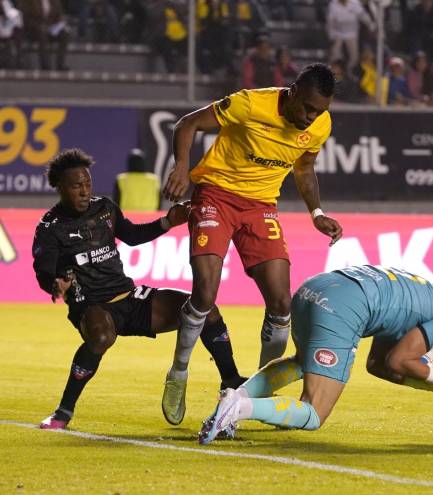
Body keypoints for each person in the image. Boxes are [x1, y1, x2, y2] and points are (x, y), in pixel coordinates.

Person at [159, 63, 344, 426]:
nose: (311, 118)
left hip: (261, 206)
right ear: (291, 93)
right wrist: (181, 167)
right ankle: (178, 372)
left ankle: (256, 393)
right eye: (307, 108)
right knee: (205, 293)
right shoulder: (249, 104)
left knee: (281, 303)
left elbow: (304, 170)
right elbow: (188, 124)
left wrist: (317, 212)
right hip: (216, 194)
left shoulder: (320, 124)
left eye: (319, 111)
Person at [32, 148, 245, 430]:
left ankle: (231, 379)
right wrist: (56, 285)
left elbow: (131, 236)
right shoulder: (51, 226)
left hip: (129, 297)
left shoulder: (105, 208)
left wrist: (168, 221)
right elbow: (44, 271)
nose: (84, 191)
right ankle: (63, 412)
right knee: (102, 337)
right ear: (60, 187)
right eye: (76, 186)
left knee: (204, 309)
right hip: (91, 305)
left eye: (87, 184)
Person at [197, 264, 433, 444]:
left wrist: (426, 381)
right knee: (314, 413)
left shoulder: (427, 297)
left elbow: (378, 365)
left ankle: (231, 401)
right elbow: (399, 361)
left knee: (303, 363)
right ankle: (237, 409)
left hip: (313, 289)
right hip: (342, 307)